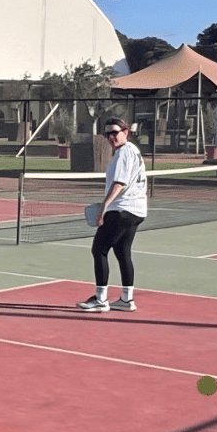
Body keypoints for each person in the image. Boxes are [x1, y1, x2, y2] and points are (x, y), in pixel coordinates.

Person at [76, 117, 147, 312]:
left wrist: (103, 207)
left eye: (115, 132)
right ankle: (126, 300)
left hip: (122, 211)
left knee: (99, 250)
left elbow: (119, 184)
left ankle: (100, 300)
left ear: (126, 132)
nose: (110, 137)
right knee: (123, 253)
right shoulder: (133, 151)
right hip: (137, 211)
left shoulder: (124, 153)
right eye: (107, 133)